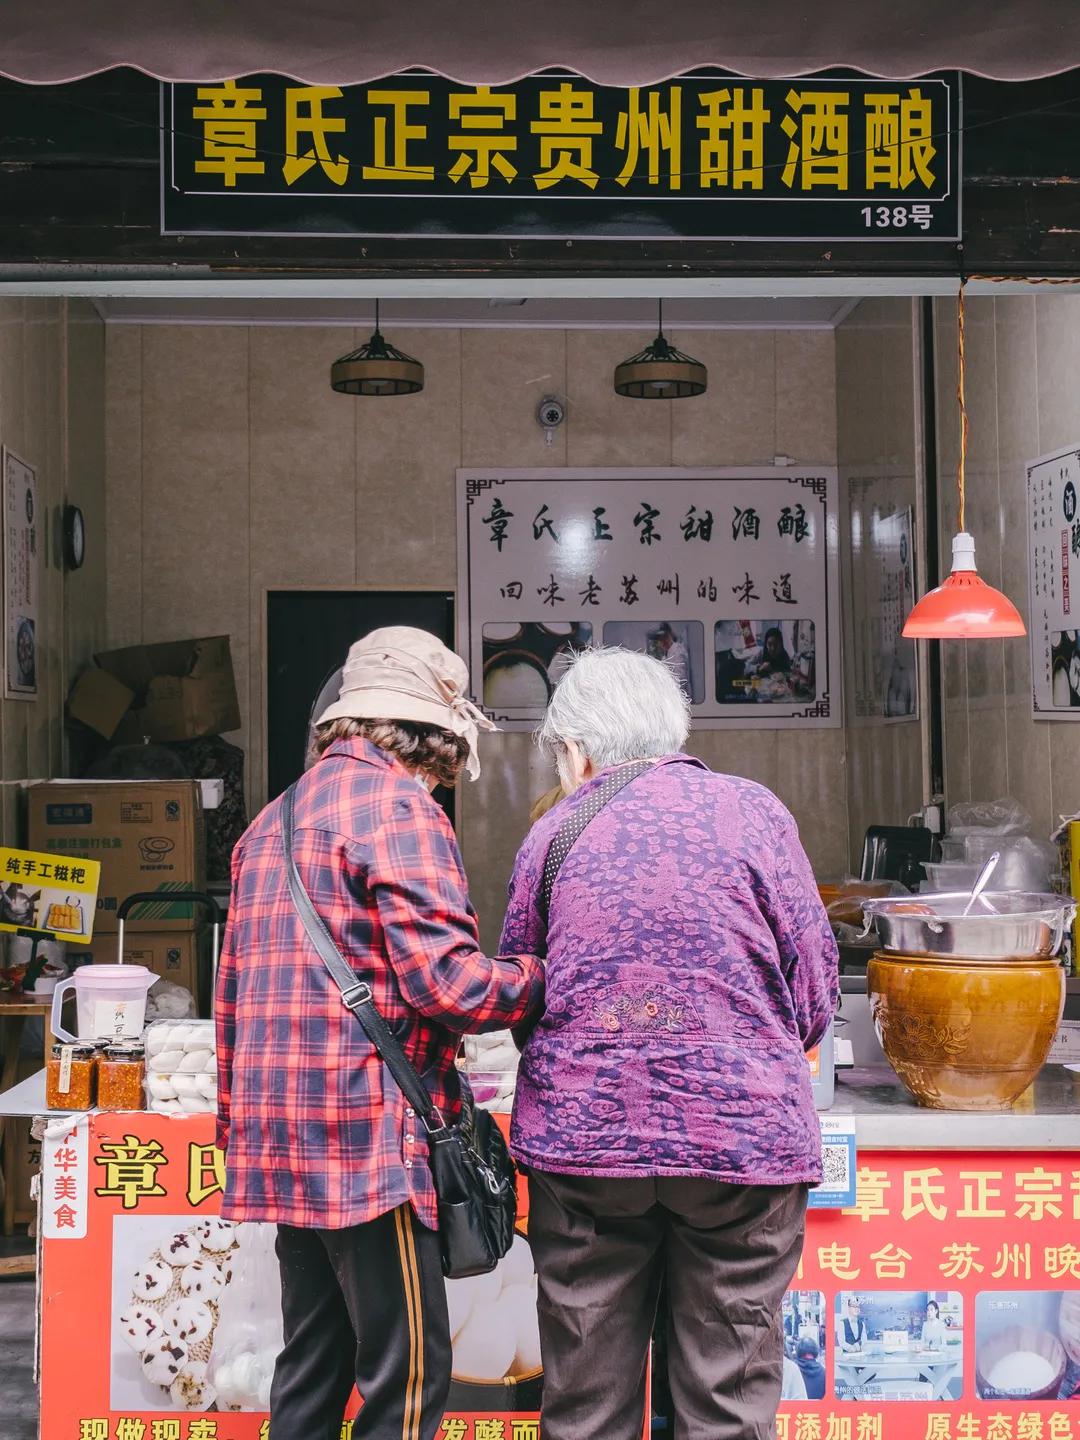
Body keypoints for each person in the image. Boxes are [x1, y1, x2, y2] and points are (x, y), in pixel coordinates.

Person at [500, 647, 839, 1440]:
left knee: (586, 1406)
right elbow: (815, 988)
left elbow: (523, 992)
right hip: (743, 1147)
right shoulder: (754, 811)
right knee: (726, 1403)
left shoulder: (552, 833)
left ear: (576, 751)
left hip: (586, 1155)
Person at [215, 626, 545, 1440]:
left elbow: (230, 998)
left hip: (282, 1140)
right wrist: (542, 976)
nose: (445, 777)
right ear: (431, 736)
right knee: (410, 1375)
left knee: (313, 1365)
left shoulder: (273, 820)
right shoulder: (398, 809)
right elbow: (453, 987)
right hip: (369, 1144)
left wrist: (239, 1130)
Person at [649, 622, 691, 694]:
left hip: (680, 695)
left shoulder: (678, 651)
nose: (663, 641)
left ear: (670, 635)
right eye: (660, 639)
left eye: (665, 637)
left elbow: (680, 679)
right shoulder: (665, 656)